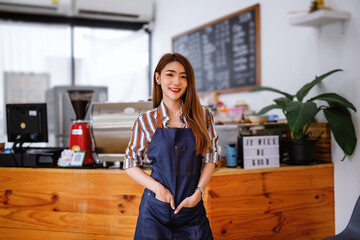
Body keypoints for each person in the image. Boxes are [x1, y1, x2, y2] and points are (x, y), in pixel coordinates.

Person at [123, 52, 219, 240]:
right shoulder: (146, 121)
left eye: (183, 77)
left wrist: (198, 193)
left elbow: (211, 156)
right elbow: (129, 163)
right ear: (158, 78)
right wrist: (158, 189)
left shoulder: (203, 116)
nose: (177, 82)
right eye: (170, 74)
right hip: (155, 212)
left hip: (192, 211)